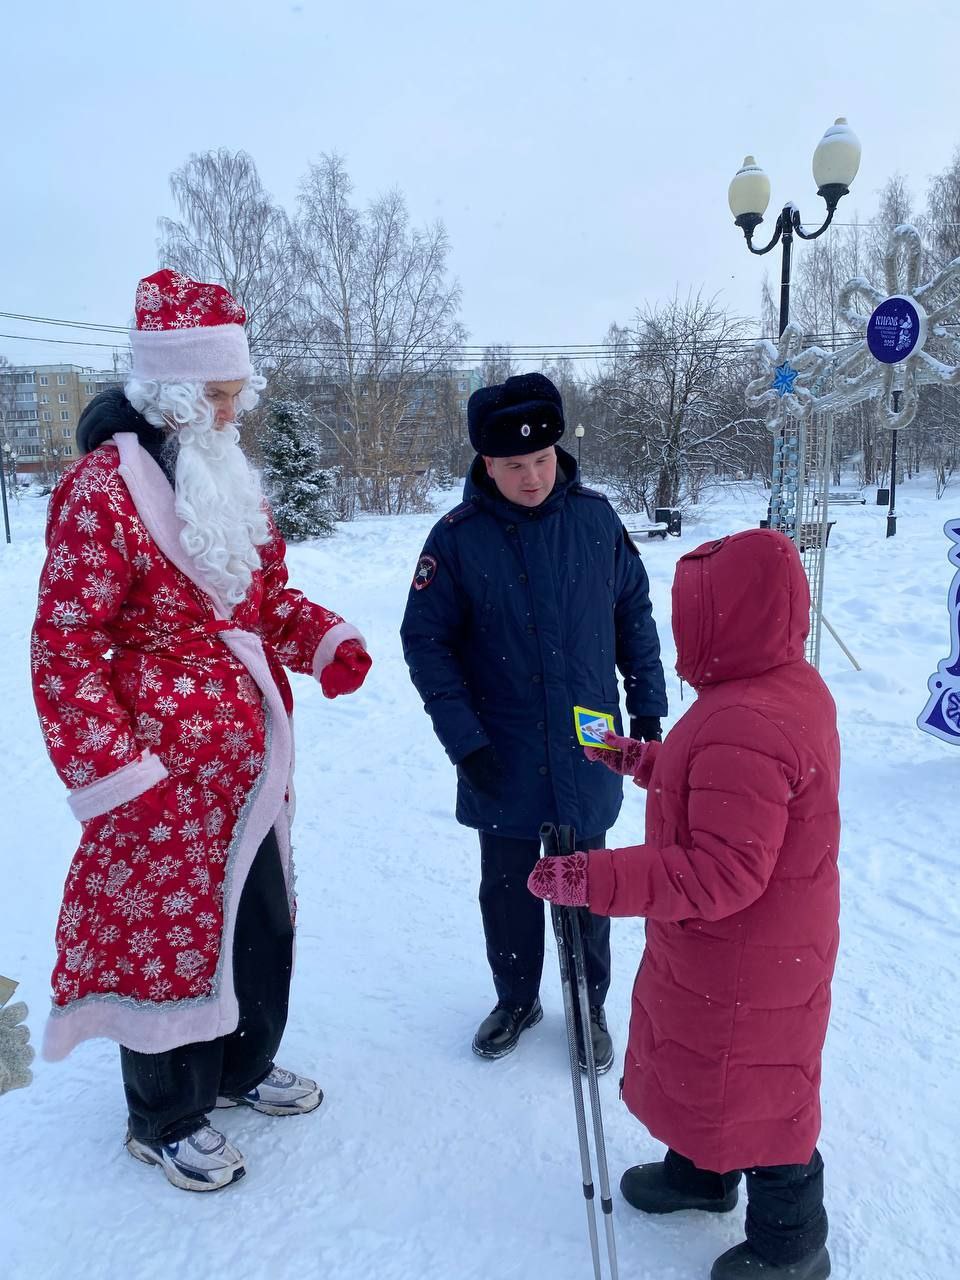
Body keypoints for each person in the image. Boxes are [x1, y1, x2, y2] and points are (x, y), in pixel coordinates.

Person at [30, 269, 371, 1192]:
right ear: (171, 392)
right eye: (215, 396)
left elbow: (263, 601)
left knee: (257, 926)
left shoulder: (231, 481)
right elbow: (66, 642)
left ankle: (240, 1069)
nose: (231, 412)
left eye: (236, 394)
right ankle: (164, 1115)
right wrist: (114, 773)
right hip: (156, 776)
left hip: (249, 769)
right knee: (164, 941)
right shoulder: (102, 493)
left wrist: (321, 637)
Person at [528, 528, 839, 1280]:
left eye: (693, 615)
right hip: (737, 950)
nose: (680, 633)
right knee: (711, 1071)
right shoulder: (767, 688)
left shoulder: (747, 716)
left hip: (747, 957)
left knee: (757, 1091)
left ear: (729, 616)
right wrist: (640, 759)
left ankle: (793, 1246)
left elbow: (724, 870)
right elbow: (722, 782)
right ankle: (702, 1175)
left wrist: (594, 878)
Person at [401, 373, 666, 1069]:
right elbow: (425, 642)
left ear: (559, 451)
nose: (531, 476)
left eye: (542, 460)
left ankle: (589, 1004)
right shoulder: (456, 539)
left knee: (591, 881)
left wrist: (647, 705)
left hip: (588, 744)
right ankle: (517, 996)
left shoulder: (596, 522)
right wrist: (465, 742)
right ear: (487, 464)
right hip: (502, 745)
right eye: (514, 465)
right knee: (510, 885)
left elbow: (633, 615)